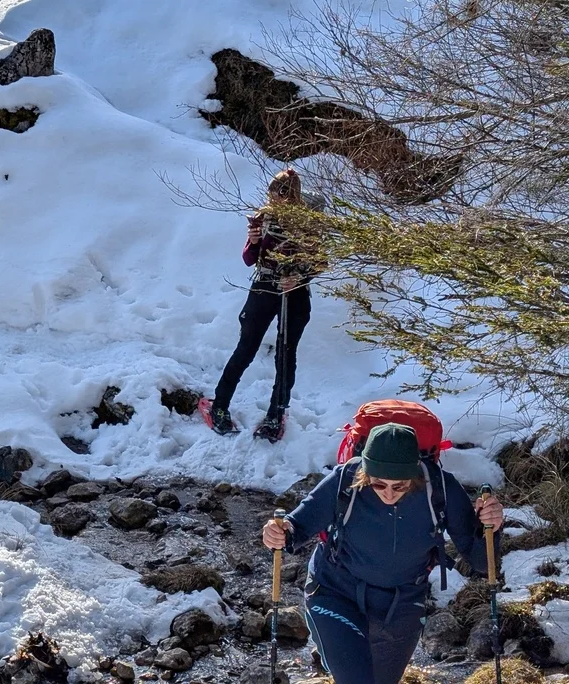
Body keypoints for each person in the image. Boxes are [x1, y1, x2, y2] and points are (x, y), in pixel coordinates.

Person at [262, 423, 505, 684]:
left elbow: (481, 562)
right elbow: (295, 528)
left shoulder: (440, 490)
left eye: (399, 486)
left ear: (415, 475)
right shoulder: (345, 480)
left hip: (403, 603)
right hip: (335, 592)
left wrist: (491, 526)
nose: (388, 493)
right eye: (378, 484)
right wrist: (278, 532)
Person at [205, 168, 324, 441]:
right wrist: (255, 241)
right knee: (246, 346)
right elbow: (249, 258)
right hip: (264, 286)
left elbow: (320, 261)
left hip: (295, 291)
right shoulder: (263, 216)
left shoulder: (308, 222)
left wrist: (298, 277)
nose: (275, 201)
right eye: (272, 195)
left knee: (286, 352)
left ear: (292, 197)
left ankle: (276, 412)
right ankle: (220, 404)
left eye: (280, 196)